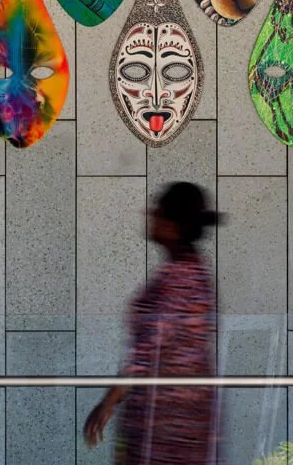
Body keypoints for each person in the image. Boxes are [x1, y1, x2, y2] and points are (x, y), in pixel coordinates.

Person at [84, 181, 222, 464]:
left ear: (173, 224)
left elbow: (150, 350)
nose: (150, 215)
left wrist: (109, 400)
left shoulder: (180, 277)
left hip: (168, 421)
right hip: (176, 415)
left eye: (157, 211)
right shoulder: (191, 270)